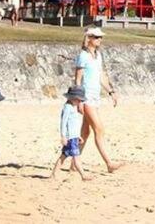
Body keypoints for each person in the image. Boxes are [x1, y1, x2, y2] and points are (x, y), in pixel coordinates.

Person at [75, 27, 123, 172]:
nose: (99, 40)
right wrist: (80, 100)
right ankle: (109, 163)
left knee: (84, 133)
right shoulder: (83, 56)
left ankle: (73, 164)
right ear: (89, 38)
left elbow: (101, 75)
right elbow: (77, 79)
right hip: (87, 97)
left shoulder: (97, 55)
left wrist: (111, 91)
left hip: (95, 97)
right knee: (99, 129)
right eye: (96, 37)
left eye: (100, 37)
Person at [52, 85, 89, 181]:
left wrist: (78, 136)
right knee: (76, 157)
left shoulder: (73, 107)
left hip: (74, 137)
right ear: (73, 98)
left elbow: (74, 125)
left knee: (63, 156)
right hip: (70, 138)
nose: (80, 102)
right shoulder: (67, 108)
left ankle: (54, 174)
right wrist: (63, 136)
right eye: (78, 100)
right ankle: (83, 175)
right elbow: (63, 123)